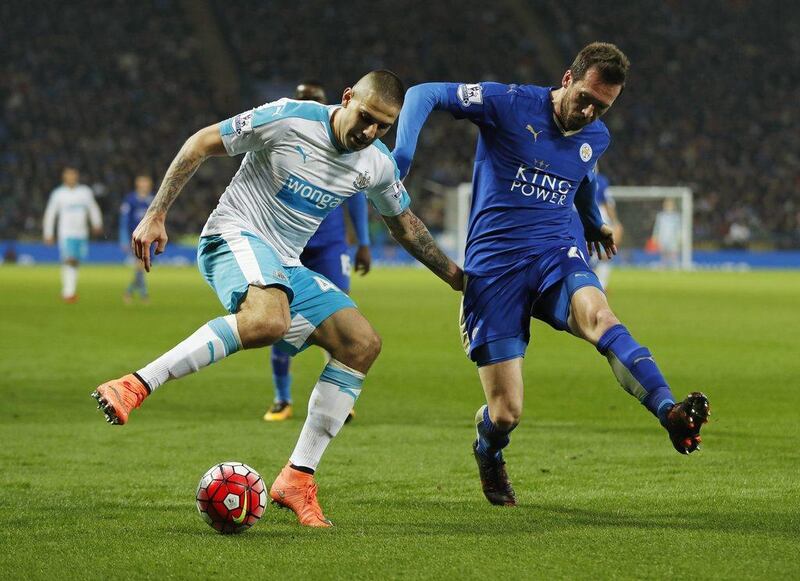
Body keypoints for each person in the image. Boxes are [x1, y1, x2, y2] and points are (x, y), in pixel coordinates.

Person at [91, 70, 463, 526]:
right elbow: (201, 142)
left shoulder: (377, 163)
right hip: (233, 234)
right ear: (347, 98)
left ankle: (297, 478)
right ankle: (137, 382)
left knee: (361, 344)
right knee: (268, 320)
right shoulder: (288, 118)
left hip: (285, 262)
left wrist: (456, 277)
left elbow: (405, 223)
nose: (369, 131)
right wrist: (156, 214)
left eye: (382, 126)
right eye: (365, 117)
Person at [393, 42, 710, 507]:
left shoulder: (595, 136)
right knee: (506, 413)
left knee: (601, 317)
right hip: (494, 268)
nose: (588, 112)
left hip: (556, 252)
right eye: (584, 97)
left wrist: (591, 220)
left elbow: (585, 177)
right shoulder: (507, 102)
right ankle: (488, 449)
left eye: (601, 108)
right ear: (567, 78)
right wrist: (401, 158)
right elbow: (423, 93)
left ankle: (668, 410)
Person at [264, 81, 371, 423]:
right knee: (278, 320)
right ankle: (282, 398)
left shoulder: (347, 147)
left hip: (329, 245)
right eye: (304, 100)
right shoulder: (284, 136)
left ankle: (340, 400)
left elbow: (355, 195)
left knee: (337, 319)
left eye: (315, 99)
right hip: (286, 244)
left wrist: (363, 242)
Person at [42, 167, 103, 302]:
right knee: (69, 259)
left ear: (77, 176)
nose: (71, 178)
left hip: (81, 233)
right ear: (64, 177)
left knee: (75, 261)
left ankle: (70, 290)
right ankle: (68, 293)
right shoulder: (58, 194)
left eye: (73, 175)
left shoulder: (85, 192)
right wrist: (48, 233)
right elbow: (50, 214)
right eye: (68, 175)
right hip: (66, 233)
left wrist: (97, 223)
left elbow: (93, 208)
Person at [571, 170, 623, 289]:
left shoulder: (575, 176)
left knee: (594, 255)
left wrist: (615, 222)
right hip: (588, 218)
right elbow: (609, 204)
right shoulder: (599, 180)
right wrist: (615, 222)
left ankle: (598, 284)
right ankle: (598, 284)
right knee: (595, 255)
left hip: (586, 218)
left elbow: (608, 204)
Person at [119, 175, 155, 303]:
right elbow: (124, 220)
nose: (145, 186)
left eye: (146, 183)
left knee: (144, 266)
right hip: (136, 237)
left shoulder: (153, 200)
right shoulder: (130, 200)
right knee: (141, 265)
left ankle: (129, 292)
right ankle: (143, 294)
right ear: (137, 184)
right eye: (142, 183)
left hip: (150, 237)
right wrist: (124, 239)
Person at [652, 198, 682, 268]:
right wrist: (655, 236)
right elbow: (657, 227)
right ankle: (663, 266)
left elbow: (679, 228)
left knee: (673, 253)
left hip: (673, 238)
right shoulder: (661, 216)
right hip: (663, 237)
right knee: (663, 254)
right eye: (667, 205)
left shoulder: (676, 217)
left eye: (670, 205)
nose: (668, 206)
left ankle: (675, 266)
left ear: (673, 206)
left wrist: (680, 237)